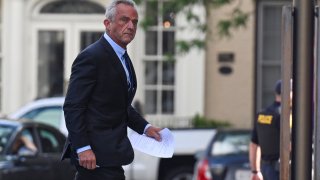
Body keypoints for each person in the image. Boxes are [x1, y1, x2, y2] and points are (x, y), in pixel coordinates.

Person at [61, 0, 162, 179]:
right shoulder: (91, 57)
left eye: (135, 22)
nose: (131, 26)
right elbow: (73, 107)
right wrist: (83, 148)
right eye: (124, 20)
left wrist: (145, 128)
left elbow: (120, 104)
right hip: (94, 158)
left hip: (112, 155)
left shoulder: (122, 56)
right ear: (108, 24)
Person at [249, 80, 290, 180]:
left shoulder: (262, 114)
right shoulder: (285, 115)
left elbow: (254, 145)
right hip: (282, 169)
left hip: (265, 169)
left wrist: (255, 171)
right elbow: (290, 145)